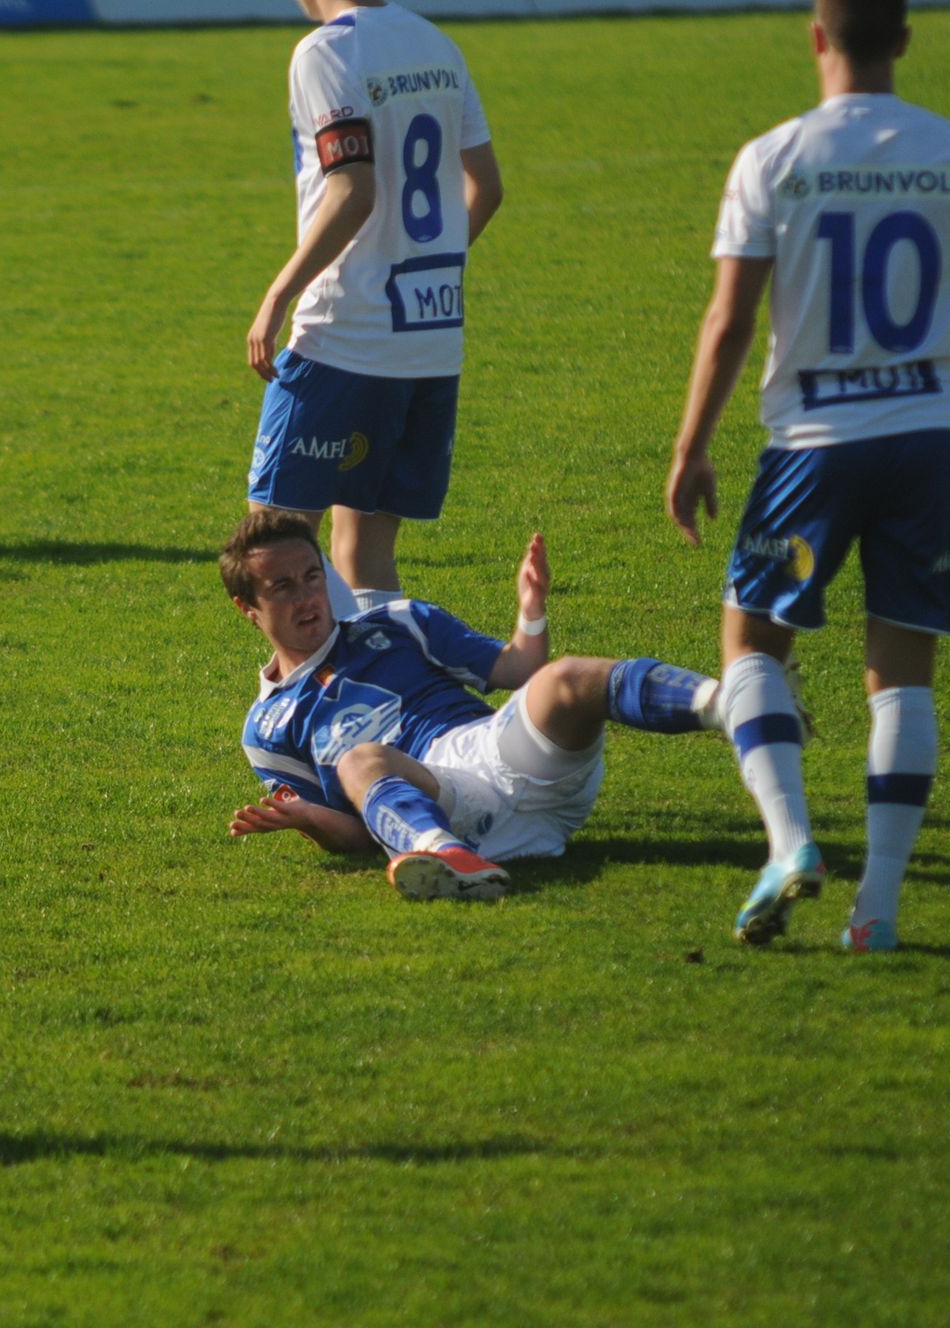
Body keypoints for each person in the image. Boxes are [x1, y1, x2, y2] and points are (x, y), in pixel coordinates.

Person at [664, 0, 950, 950]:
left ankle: (789, 843)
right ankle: (879, 910)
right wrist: (938, 394)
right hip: (930, 443)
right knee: (903, 674)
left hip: (814, 448)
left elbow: (732, 321)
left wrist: (690, 446)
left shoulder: (774, 157)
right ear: (904, 39)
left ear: (816, 37)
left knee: (751, 644)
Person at [223, 509, 723, 900]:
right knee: (362, 760)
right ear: (248, 608)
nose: (306, 597)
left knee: (567, 677)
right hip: (440, 801)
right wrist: (306, 820)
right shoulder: (266, 730)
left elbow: (517, 671)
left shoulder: (397, 623)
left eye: (313, 577)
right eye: (282, 587)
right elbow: (356, 833)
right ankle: (452, 860)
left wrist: (530, 613)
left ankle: (732, 706)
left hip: (503, 760)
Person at [244, 0, 503, 621]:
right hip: (431, 338)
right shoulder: (436, 42)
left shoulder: (326, 51)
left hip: (345, 333)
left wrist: (277, 294)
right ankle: (385, 705)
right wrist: (423, 260)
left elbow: (353, 190)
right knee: (365, 555)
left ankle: (315, 703)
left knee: (271, 545)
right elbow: (487, 188)